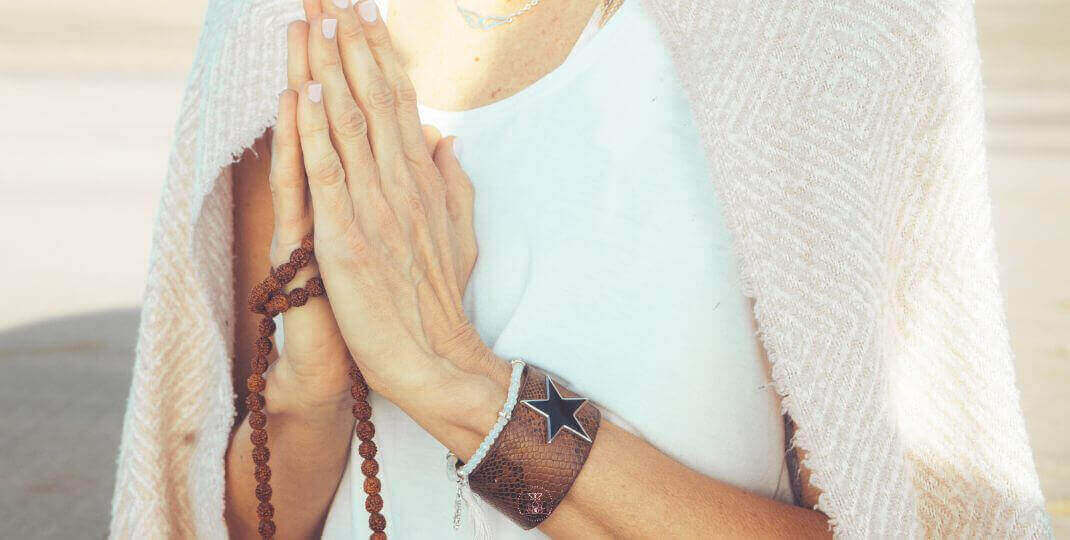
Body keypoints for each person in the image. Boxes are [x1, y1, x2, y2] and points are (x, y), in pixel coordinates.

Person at [110, 1, 1052, 538]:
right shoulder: (285, 26)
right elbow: (228, 517)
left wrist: (469, 394)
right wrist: (304, 398)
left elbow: (899, 518)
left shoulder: (830, 32)